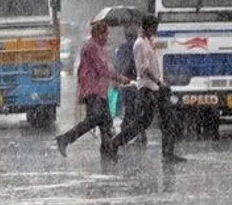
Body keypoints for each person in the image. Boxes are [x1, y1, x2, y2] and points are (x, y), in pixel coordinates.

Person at [106, 14, 186, 163]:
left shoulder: (149, 42)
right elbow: (143, 69)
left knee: (167, 118)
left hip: (156, 87)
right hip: (147, 88)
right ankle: (115, 143)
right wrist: (158, 82)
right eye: (154, 27)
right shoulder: (139, 44)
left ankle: (168, 152)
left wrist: (160, 83)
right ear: (147, 27)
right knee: (142, 122)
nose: (156, 30)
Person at [55, 22, 130, 157]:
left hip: (99, 90)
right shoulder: (92, 47)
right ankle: (65, 138)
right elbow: (102, 69)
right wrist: (120, 78)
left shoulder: (97, 48)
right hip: (93, 91)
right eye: (105, 35)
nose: (107, 38)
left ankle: (107, 149)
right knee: (94, 119)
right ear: (98, 34)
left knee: (106, 121)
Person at [115, 25, 146, 145]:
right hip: (137, 82)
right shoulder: (139, 46)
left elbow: (118, 64)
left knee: (129, 110)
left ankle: (125, 134)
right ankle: (140, 135)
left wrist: (120, 77)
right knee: (139, 110)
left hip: (126, 83)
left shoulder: (122, 48)